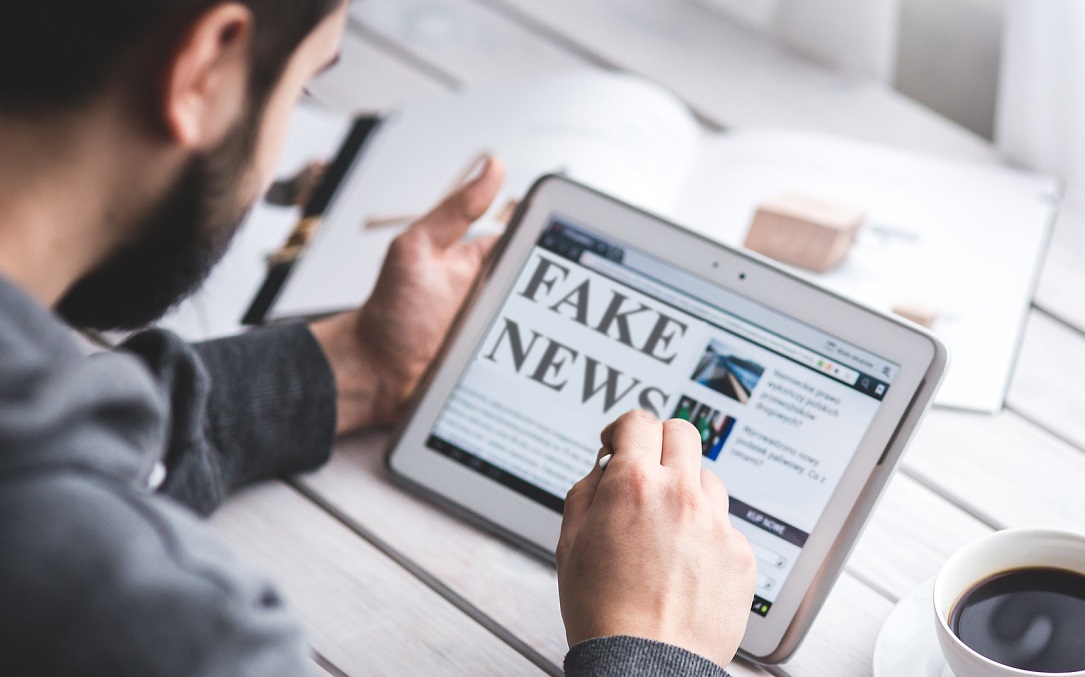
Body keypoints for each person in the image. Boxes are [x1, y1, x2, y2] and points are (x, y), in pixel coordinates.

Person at [0, 1, 757, 675]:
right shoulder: (182, 633)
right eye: (300, 89)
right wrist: (656, 652)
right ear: (206, 67)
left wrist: (357, 364)